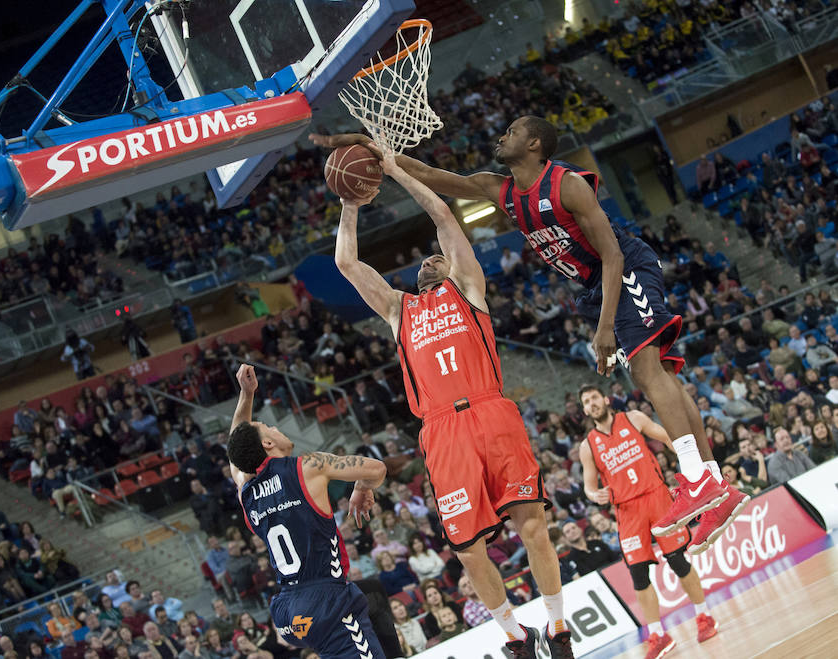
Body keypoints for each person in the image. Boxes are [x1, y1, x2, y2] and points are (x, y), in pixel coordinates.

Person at [314, 117, 746, 555]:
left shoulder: (567, 186)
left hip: (623, 269)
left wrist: (603, 328)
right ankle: (713, 484)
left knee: (648, 370)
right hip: (593, 285)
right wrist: (377, 155)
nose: (502, 135)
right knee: (659, 376)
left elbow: (613, 254)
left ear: (535, 144)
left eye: (514, 131)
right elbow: (430, 176)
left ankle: (696, 478)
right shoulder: (499, 189)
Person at [330, 145, 572, 659]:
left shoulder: (468, 290)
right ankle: (515, 636)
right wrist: (351, 199)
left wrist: (396, 171)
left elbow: (441, 213)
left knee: (533, 526)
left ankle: (559, 628)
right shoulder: (400, 310)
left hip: (490, 410)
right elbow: (346, 262)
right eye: (422, 261)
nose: (428, 260)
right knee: (468, 550)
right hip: (442, 431)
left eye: (435, 256)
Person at [227, 364, 388, 658]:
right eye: (270, 428)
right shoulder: (308, 467)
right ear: (267, 443)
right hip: (326, 599)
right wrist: (362, 487)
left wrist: (246, 395)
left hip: (289, 612)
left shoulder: (246, 492)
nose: (276, 428)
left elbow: (236, 452)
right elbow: (377, 469)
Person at [578, 385, 720, 657]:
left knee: (678, 560)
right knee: (638, 574)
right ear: (585, 410)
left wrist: (686, 459)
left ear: (606, 399)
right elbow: (588, 485)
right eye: (586, 401)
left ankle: (704, 616)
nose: (592, 403)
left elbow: (666, 436)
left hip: (656, 497)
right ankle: (658, 634)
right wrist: (593, 494)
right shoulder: (588, 446)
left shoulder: (633, 418)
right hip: (627, 510)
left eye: (595, 397)